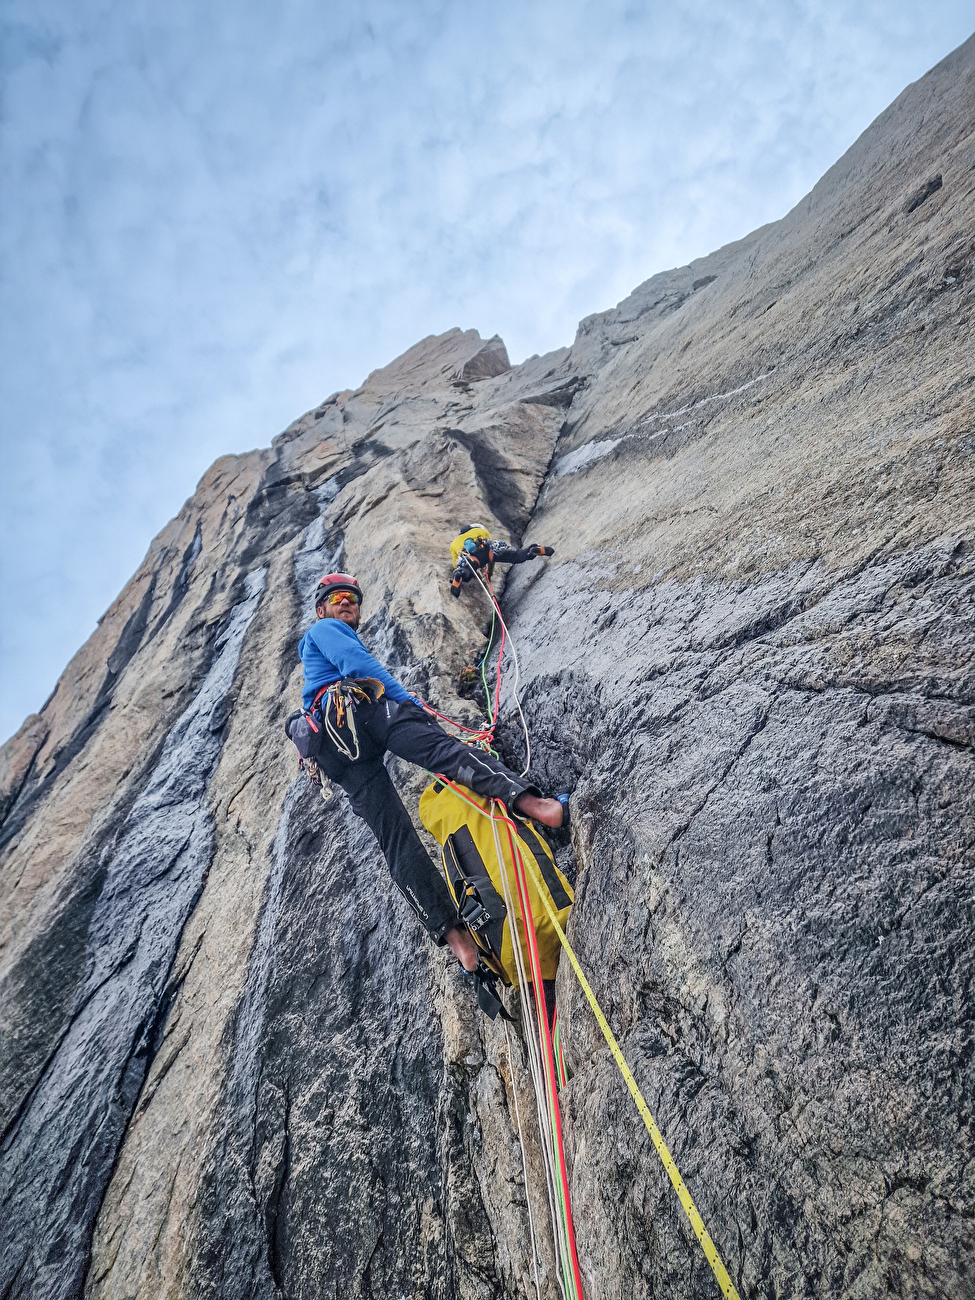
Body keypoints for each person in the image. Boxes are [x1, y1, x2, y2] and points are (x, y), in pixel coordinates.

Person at [295, 572, 566, 972]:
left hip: (333, 750)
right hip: (354, 712)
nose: (346, 603)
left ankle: (457, 940)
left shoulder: (315, 654)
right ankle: (535, 804)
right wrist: (407, 705)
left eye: (352, 597)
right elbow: (357, 665)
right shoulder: (325, 629)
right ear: (322, 609)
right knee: (441, 751)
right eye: (336, 598)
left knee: (394, 838)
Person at [449, 525, 554, 598]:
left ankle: (459, 577)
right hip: (487, 549)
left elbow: (455, 563)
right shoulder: (481, 532)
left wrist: (460, 568)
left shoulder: (454, 544)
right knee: (516, 556)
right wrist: (489, 574)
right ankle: (532, 551)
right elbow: (491, 546)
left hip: (472, 557)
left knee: (464, 570)